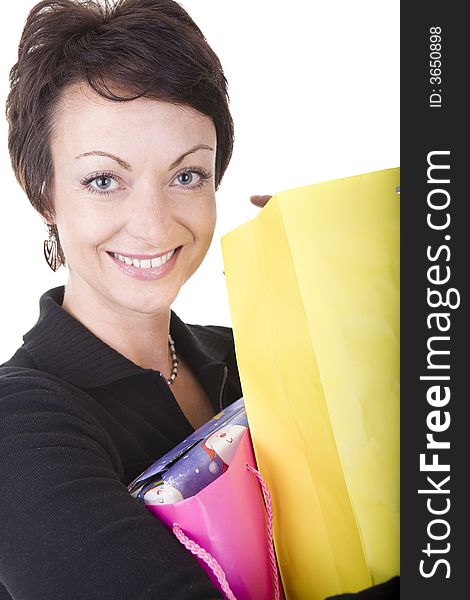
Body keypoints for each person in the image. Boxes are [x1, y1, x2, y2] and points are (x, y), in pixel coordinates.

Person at [0, 0, 398, 598]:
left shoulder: (249, 357)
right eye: (104, 180)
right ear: (46, 194)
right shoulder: (20, 429)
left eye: (187, 175)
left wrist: (350, 287)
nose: (155, 226)